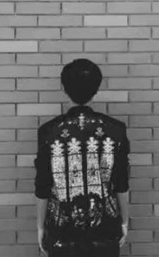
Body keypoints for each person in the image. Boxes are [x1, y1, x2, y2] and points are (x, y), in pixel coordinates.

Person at [34, 58, 130, 257]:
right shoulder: (116, 130)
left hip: (61, 231)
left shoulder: (48, 132)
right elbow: (121, 183)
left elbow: (42, 185)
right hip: (105, 228)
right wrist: (124, 221)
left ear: (64, 88)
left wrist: (40, 226)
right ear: (97, 89)